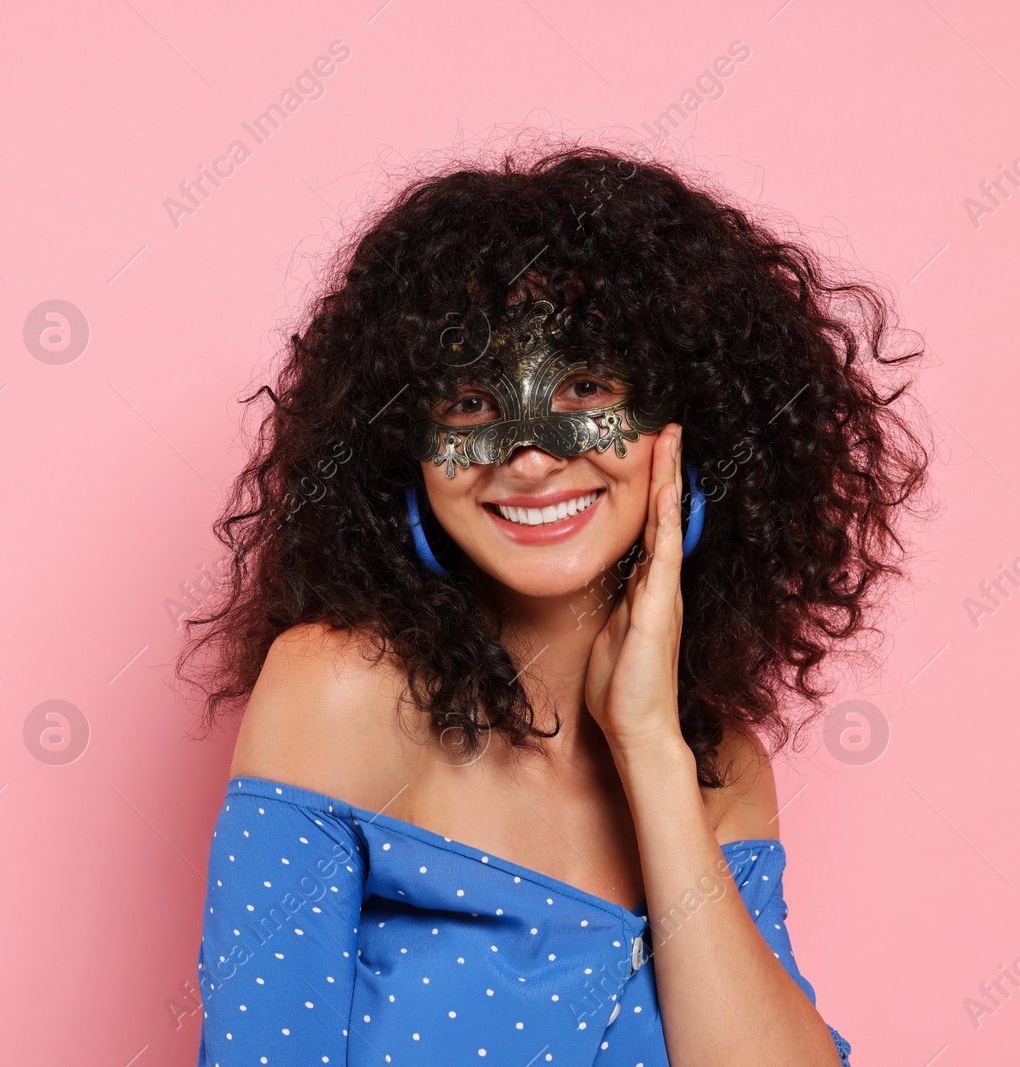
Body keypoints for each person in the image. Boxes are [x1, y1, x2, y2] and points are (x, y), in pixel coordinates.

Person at [177, 142, 930, 1065]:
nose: (529, 453)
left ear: (683, 424)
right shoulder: (336, 693)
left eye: (583, 386)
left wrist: (651, 749)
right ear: (404, 450)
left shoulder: (717, 769)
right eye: (470, 399)